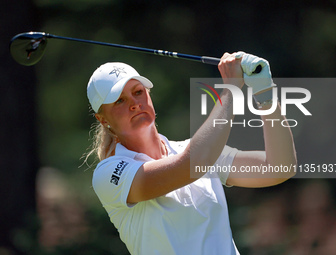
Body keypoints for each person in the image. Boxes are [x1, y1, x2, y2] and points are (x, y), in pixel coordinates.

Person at [85, 52, 297, 255]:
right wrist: (230, 90)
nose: (134, 104)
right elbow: (192, 165)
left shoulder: (196, 149)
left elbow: (279, 167)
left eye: (138, 92)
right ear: (102, 119)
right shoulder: (109, 174)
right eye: (119, 101)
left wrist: (264, 93)